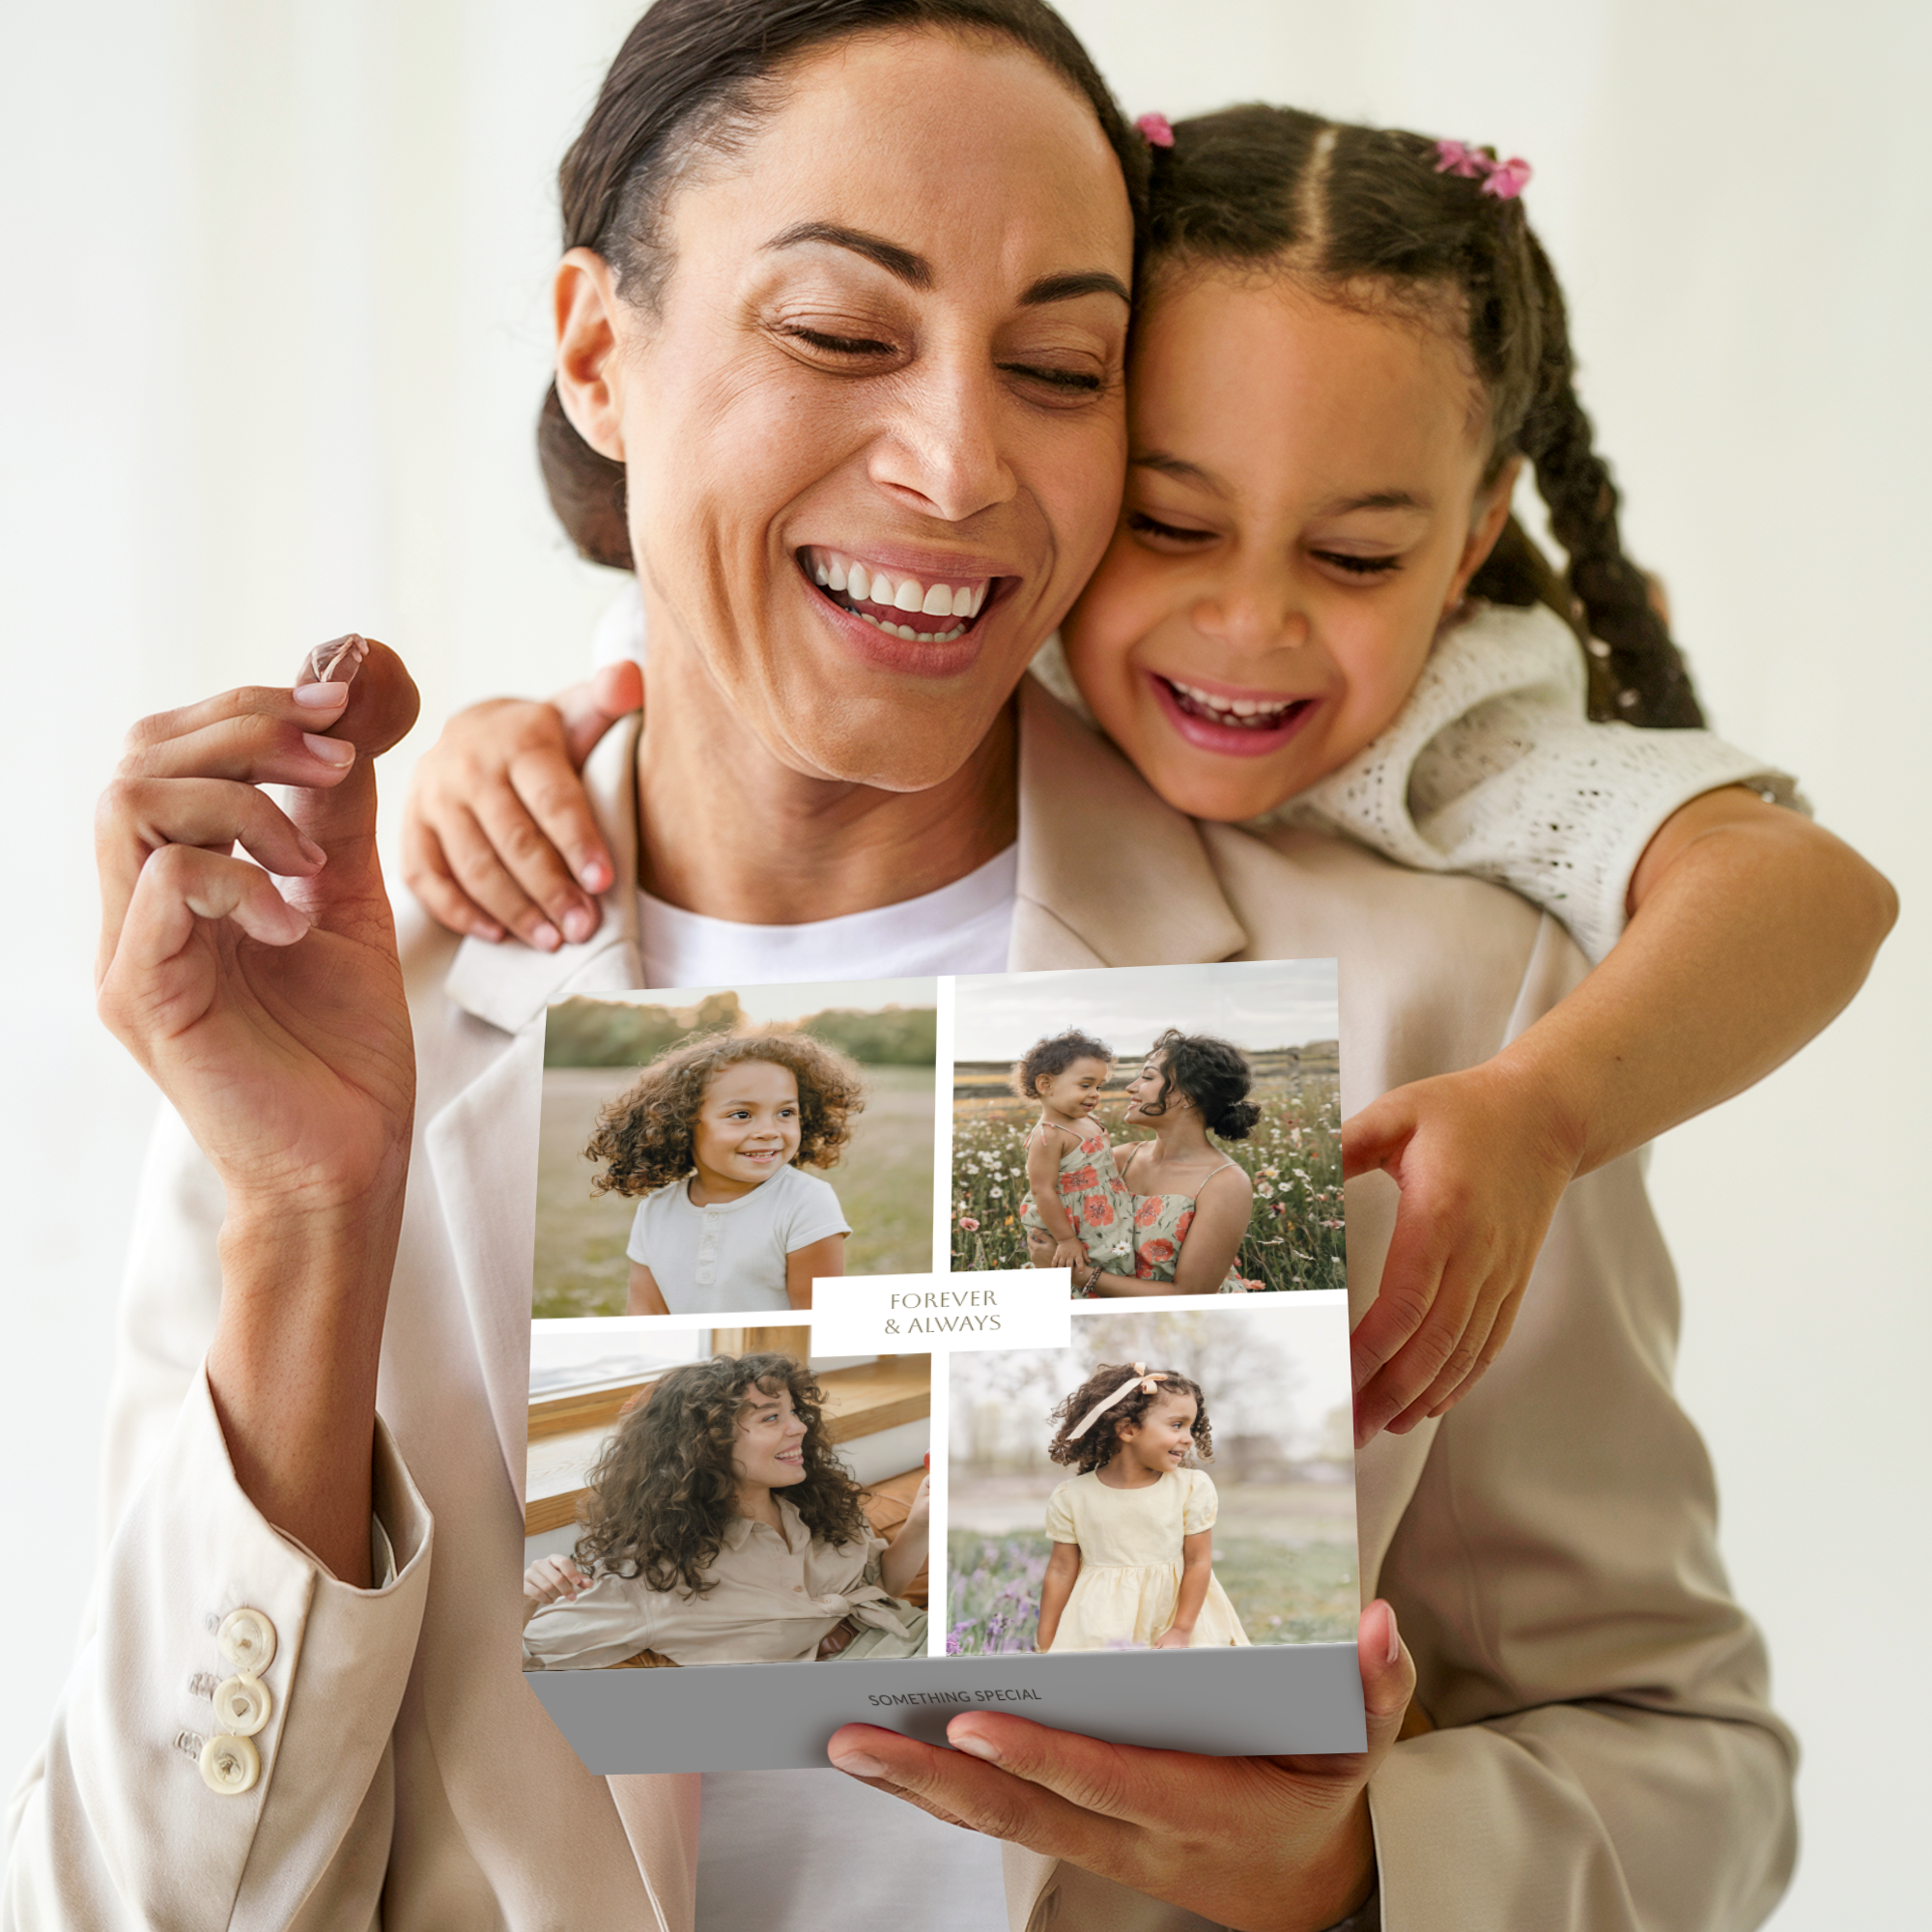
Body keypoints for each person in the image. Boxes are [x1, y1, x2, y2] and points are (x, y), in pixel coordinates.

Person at [24, 4, 1849, 1928]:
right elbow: (129, 1901)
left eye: (1060, 365)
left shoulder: (1436, 1003)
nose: (963, 461)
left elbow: (1684, 1757)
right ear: (595, 351)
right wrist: (312, 1218)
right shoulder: (334, 1035)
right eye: (837, 332)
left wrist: (1358, 1868)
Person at [410, 103, 1900, 1434]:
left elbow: (1810, 886)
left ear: (1471, 544)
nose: (1250, 625)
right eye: (1169, 525)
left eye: (1359, 554)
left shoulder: (1456, 736)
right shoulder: (978, 592)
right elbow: (677, 650)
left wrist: (1545, 1105)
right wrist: (498, 740)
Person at [522, 1353, 929, 1665]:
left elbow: (883, 1588)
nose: (800, 1428)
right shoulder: (649, 1580)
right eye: (772, 1418)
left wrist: (922, 1519)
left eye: (793, 1412)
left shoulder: (817, 1504)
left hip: (929, 1638)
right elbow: (521, 1655)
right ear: (706, 1444)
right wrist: (525, 1595)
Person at [586, 1031, 861, 1314]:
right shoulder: (655, 1210)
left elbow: (816, 1320)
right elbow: (646, 1314)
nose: (769, 1131)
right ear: (681, 1123)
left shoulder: (806, 1202)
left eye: (786, 1112)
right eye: (741, 1114)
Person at [1036, 1363, 1249, 1652]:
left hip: (1176, 1620)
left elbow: (1199, 1562)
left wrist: (1182, 1629)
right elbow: (1061, 1570)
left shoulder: (1190, 1488)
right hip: (1101, 1625)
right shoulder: (1072, 1496)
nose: (1188, 1437)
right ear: (1128, 1429)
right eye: (1177, 1424)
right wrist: (1047, 1641)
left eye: (1191, 1426)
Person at [1077, 1032, 1257, 1296]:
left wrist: (1079, 1276)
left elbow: (1190, 1293)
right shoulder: (1116, 1160)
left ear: (1189, 1095)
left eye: (1148, 1077)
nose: (1131, 1087)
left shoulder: (1225, 1183)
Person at [1012, 1029, 1133, 1277]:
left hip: (1105, 1207)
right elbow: (1042, 1190)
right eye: (1085, 1085)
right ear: (1046, 1085)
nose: (1095, 1094)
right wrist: (1066, 1239)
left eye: (1098, 1086)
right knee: (1087, 1263)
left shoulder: (1089, 1120)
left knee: (1118, 1258)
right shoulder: (1049, 1135)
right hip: (1073, 1220)